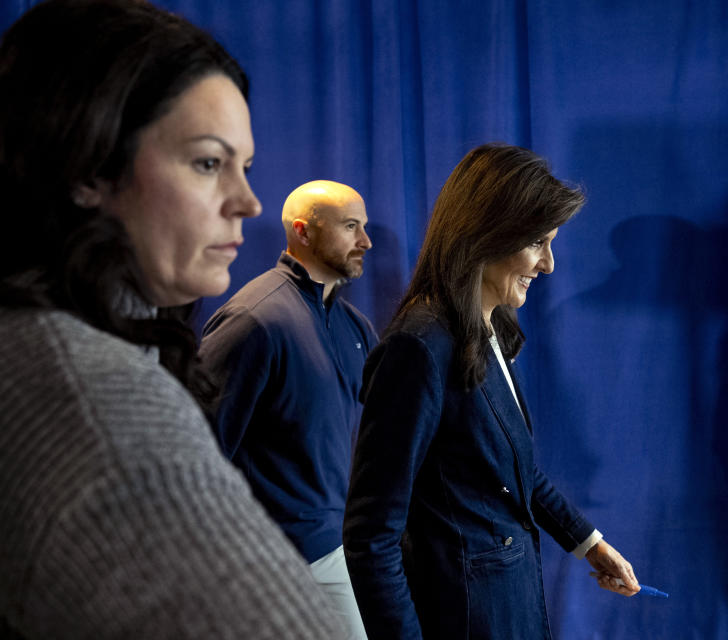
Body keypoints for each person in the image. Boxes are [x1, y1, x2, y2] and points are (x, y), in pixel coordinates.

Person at [0, 1, 341, 637]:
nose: (247, 201)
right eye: (208, 163)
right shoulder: (99, 403)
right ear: (89, 169)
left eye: (245, 166)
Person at [342, 143, 640, 640]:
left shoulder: (490, 329)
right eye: (538, 243)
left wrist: (589, 543)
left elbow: (512, 470)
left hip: (510, 605)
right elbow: (371, 536)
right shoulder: (418, 348)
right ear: (487, 236)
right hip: (465, 617)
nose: (548, 265)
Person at [200, 180, 377, 639]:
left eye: (365, 227)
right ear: (303, 232)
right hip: (280, 558)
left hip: (346, 546)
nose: (366, 241)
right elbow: (198, 453)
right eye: (351, 227)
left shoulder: (355, 326)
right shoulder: (253, 320)